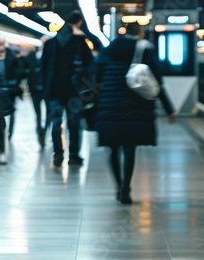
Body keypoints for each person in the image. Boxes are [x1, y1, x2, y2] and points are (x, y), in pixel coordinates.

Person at [94, 23, 176, 204]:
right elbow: (156, 83)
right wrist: (169, 109)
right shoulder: (143, 52)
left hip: (109, 108)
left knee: (112, 149)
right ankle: (126, 187)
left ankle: (118, 185)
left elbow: (96, 81)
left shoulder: (107, 52)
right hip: (134, 108)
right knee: (129, 148)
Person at [42, 11, 95, 166]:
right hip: (75, 92)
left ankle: (58, 154)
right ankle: (73, 155)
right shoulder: (80, 42)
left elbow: (44, 68)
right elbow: (91, 64)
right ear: (78, 23)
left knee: (56, 124)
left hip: (54, 91)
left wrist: (45, 90)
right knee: (74, 124)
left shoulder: (50, 44)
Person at [0, 35, 23, 165]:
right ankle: (2, 152)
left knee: (11, 115)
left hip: (9, 92)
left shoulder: (12, 59)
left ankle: (10, 133)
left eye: (1, 44)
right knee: (0, 123)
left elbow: (18, 73)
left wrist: (15, 86)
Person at [21, 41, 45, 146]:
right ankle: (40, 130)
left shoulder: (50, 56)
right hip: (35, 90)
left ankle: (43, 130)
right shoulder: (30, 57)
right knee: (38, 113)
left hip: (46, 90)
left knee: (48, 114)